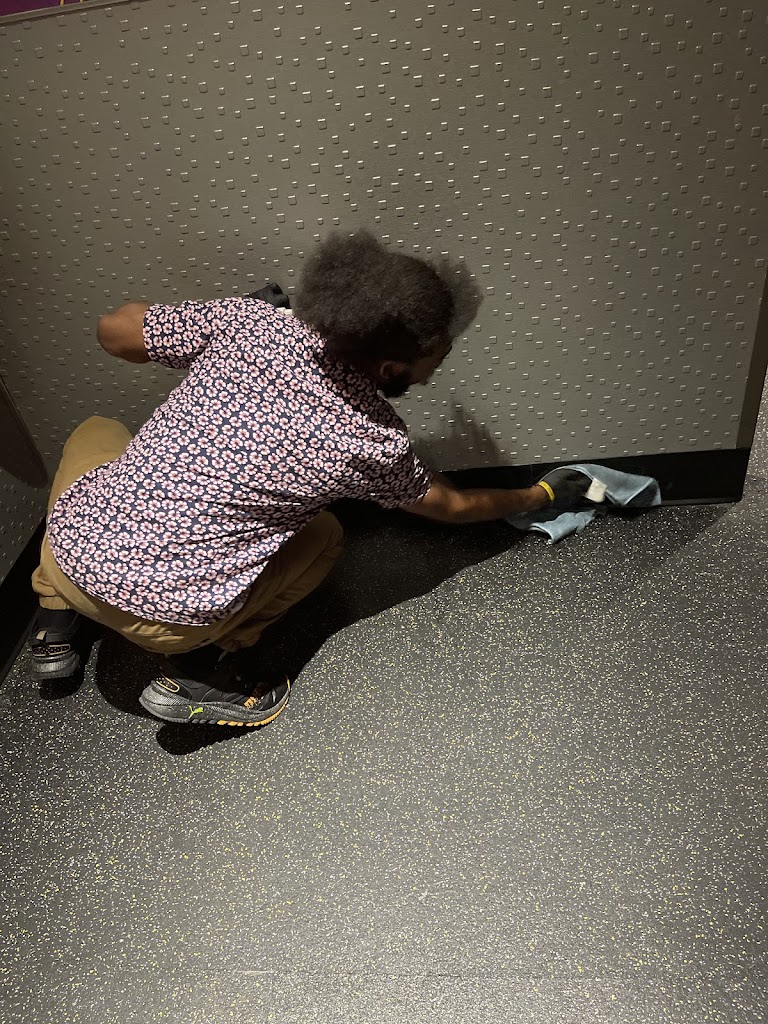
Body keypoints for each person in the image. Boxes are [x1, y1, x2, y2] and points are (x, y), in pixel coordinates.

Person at [27, 230, 592, 728]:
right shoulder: (373, 439)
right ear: (392, 368)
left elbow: (113, 331)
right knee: (325, 536)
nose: (438, 365)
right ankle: (206, 672)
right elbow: (453, 506)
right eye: (436, 356)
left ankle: (54, 622)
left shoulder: (252, 324)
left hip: (64, 553)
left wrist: (226, 314)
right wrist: (539, 493)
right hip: (163, 622)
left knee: (97, 430)